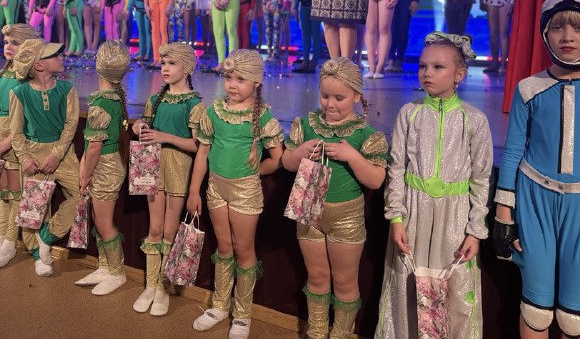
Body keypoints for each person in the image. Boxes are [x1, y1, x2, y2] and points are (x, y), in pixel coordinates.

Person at [493, 0, 580, 339]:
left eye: (579, 27)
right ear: (544, 32)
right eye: (558, 27)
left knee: (574, 317)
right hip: (534, 202)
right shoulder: (528, 89)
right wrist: (504, 215)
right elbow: (512, 152)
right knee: (535, 311)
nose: (568, 36)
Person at [375, 32, 492, 338]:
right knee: (408, 284)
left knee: (455, 293)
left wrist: (474, 231)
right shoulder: (409, 113)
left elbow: (481, 179)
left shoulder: (474, 120)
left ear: (459, 75)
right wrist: (396, 219)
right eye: (423, 66)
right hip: (414, 215)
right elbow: (396, 169)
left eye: (438, 67)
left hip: (455, 219)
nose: (427, 73)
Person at [282, 58, 388, 338]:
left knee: (343, 280)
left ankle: (340, 333)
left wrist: (352, 156)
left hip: (346, 217)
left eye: (339, 98)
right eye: (325, 96)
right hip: (308, 210)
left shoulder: (365, 134)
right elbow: (287, 162)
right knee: (316, 276)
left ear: (356, 96)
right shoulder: (306, 125)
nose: (330, 104)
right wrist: (299, 152)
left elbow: (376, 180)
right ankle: (316, 332)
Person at [187, 49, 284, 339]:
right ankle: (219, 305)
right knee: (224, 247)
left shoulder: (262, 117)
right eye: (228, 77)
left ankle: (242, 313)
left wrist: (254, 173)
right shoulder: (214, 111)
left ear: (256, 82)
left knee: (243, 250)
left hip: (245, 192)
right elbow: (203, 153)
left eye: (240, 79)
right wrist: (194, 191)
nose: (232, 84)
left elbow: (277, 158)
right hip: (215, 188)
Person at [130, 42, 205, 316]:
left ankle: (163, 287)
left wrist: (166, 137)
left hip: (178, 168)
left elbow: (197, 145)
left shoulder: (195, 105)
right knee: (155, 227)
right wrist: (139, 126)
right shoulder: (155, 99)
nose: (165, 68)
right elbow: (144, 123)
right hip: (153, 165)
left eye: (172, 63)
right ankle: (150, 285)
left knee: (170, 230)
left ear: (187, 68)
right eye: (163, 63)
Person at [9, 38, 80, 277]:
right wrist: (24, 158)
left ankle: (47, 237)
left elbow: (71, 125)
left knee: (82, 195)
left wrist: (57, 154)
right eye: (54, 55)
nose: (61, 57)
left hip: (63, 153)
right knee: (33, 206)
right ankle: (38, 255)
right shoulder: (20, 93)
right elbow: (16, 131)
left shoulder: (67, 89)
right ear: (38, 65)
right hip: (34, 154)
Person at [0, 23, 39, 268]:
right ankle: (0, 236)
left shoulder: (28, 77)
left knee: (15, 193)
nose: (8, 47)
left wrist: (6, 142)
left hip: (14, 140)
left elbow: (27, 118)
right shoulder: (0, 74)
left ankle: (10, 243)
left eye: (15, 43)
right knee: (3, 193)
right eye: (6, 43)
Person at [75, 40, 131, 295]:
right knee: (99, 219)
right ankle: (104, 266)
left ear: (99, 66)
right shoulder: (111, 98)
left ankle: (117, 271)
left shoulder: (101, 104)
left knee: (104, 222)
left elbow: (94, 147)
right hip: (105, 165)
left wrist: (85, 174)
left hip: (105, 167)